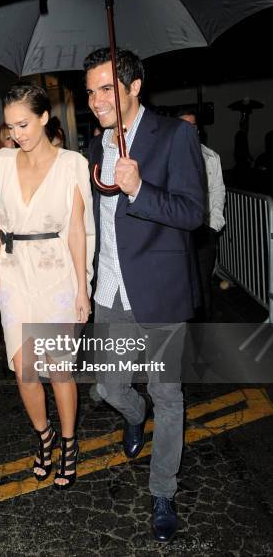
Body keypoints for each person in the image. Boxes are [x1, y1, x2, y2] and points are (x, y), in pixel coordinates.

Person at [84, 47, 204, 542]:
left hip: (158, 292)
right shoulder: (96, 147)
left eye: (106, 88)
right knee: (109, 386)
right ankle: (134, 418)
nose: (95, 100)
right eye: (89, 91)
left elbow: (193, 212)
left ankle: (163, 491)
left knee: (166, 394)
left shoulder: (175, 135)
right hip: (109, 289)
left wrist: (140, 190)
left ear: (135, 87)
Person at [0, 83, 95, 489]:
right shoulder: (2, 162)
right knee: (25, 369)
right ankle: (44, 437)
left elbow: (77, 230)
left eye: (23, 124)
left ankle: (69, 441)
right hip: (13, 273)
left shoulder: (72, 163)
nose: (16, 134)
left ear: (44, 117)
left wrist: (83, 288)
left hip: (56, 271)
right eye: (10, 127)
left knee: (58, 369)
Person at [178, 108, 226, 321]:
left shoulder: (210, 157)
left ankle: (204, 334)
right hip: (177, 231)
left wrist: (214, 224)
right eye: (184, 125)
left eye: (193, 125)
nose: (189, 129)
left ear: (197, 129)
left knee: (203, 284)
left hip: (204, 231)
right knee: (181, 285)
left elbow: (218, 190)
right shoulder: (168, 157)